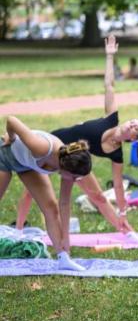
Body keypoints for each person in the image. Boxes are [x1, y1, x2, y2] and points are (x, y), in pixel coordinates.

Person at [15, 35, 138, 236]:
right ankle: (18, 229)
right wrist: (109, 56)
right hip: (52, 146)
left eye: (135, 129)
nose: (131, 125)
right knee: (30, 191)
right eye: (131, 122)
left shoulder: (117, 155)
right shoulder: (111, 118)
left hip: (74, 160)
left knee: (98, 197)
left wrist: (123, 211)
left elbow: (118, 187)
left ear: (132, 138)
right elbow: (109, 85)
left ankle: (125, 232)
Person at [1, 116, 92, 270]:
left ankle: (63, 259)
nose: (76, 180)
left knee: (51, 208)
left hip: (25, 166)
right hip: (4, 155)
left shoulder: (68, 164)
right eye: (75, 177)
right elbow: (11, 120)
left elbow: (64, 204)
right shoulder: (42, 147)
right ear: (64, 168)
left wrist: (66, 239)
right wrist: (11, 137)